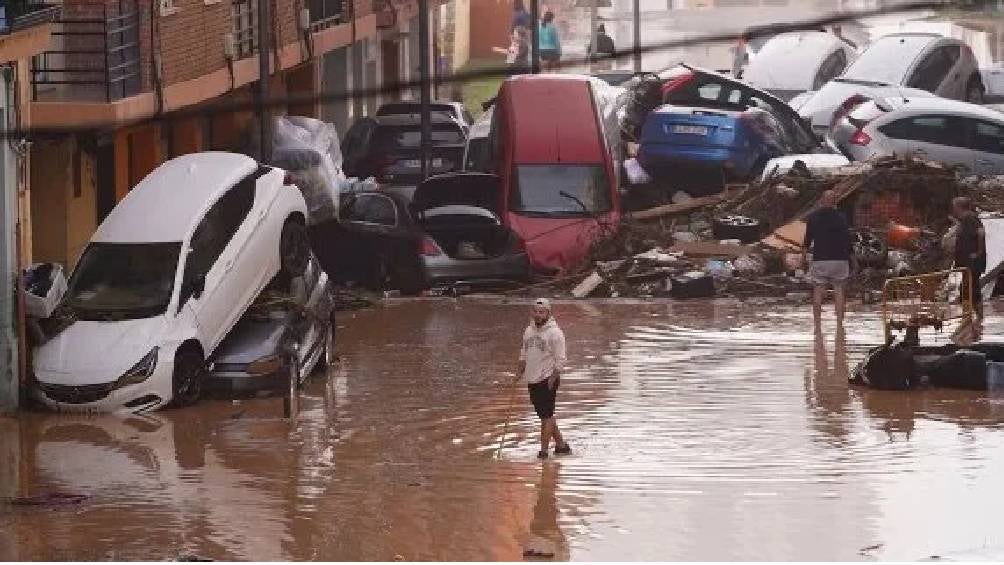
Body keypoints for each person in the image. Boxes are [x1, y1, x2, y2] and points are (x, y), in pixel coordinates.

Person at [516, 298, 570, 459]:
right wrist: (519, 372)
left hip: (547, 379)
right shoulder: (528, 330)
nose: (538, 315)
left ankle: (544, 452)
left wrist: (553, 379)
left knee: (546, 416)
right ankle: (561, 446)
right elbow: (523, 353)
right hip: (532, 379)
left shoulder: (555, 333)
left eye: (542, 312)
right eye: (535, 312)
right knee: (546, 415)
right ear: (531, 312)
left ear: (548, 313)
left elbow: (561, 359)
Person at [803, 190, 854, 331]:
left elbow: (807, 240)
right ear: (834, 203)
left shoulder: (813, 218)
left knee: (818, 290)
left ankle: (817, 326)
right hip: (840, 260)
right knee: (839, 290)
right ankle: (839, 325)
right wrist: (853, 259)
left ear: (821, 201)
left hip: (820, 259)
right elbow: (848, 240)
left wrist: (803, 256)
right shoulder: (842, 218)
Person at [952, 196, 987, 320]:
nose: (953, 210)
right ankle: (971, 318)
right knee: (968, 289)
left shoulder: (970, 218)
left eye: (954, 207)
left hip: (972, 263)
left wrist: (978, 252)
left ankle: (974, 318)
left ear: (959, 207)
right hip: (967, 263)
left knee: (971, 290)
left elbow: (981, 234)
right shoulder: (964, 220)